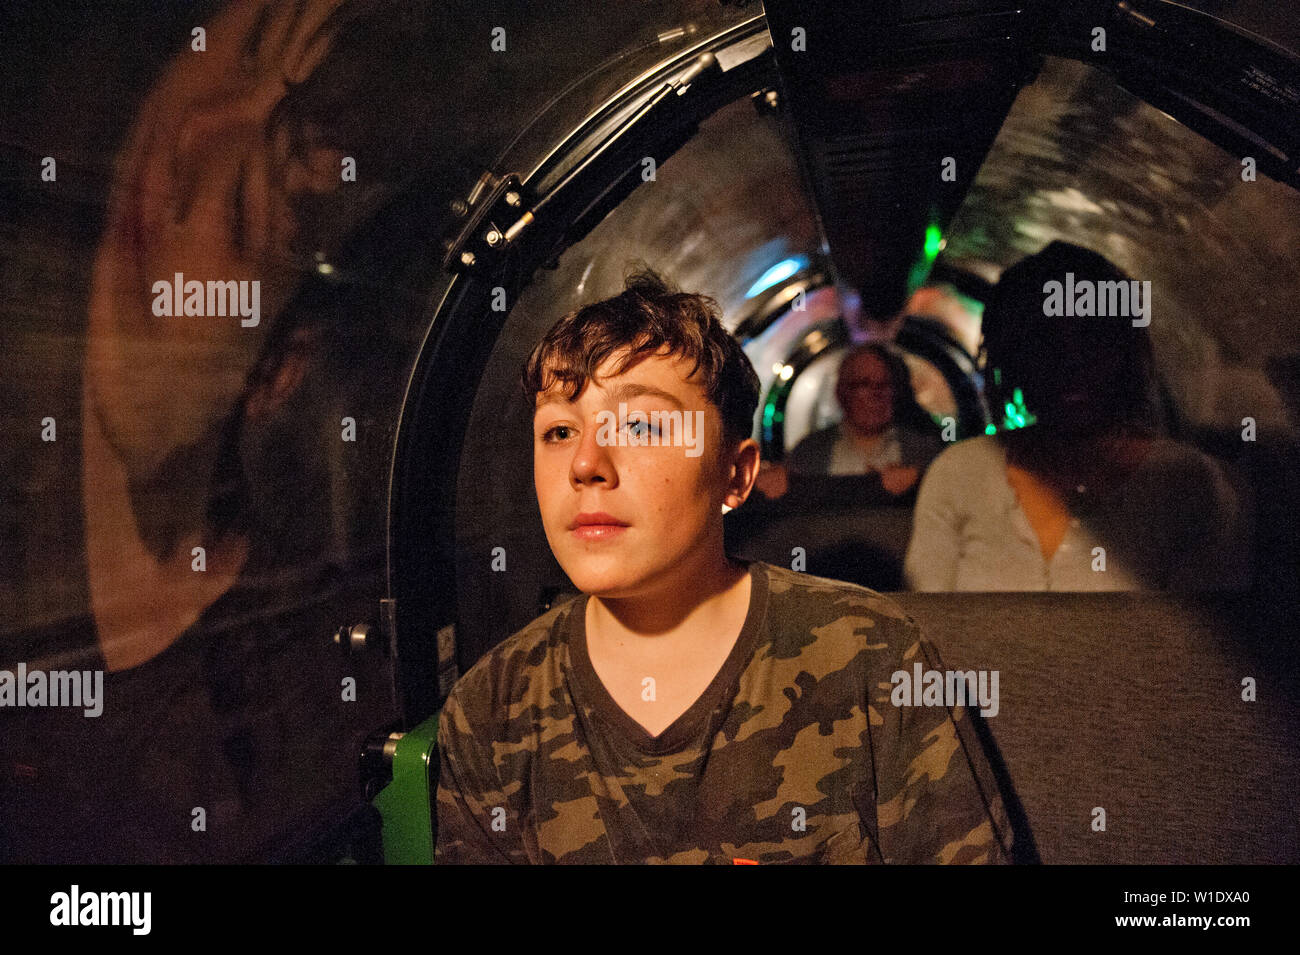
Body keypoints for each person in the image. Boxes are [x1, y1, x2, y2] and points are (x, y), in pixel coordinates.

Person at [433, 270, 1014, 864]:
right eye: (558, 430)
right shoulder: (491, 711)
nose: (585, 462)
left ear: (735, 476)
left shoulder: (869, 658)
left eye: (640, 425)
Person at [905, 241, 1251, 591]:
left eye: (1092, 336)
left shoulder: (1192, 487)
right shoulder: (960, 473)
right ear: (1010, 358)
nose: (1070, 360)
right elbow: (925, 624)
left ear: (1126, 350)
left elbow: (1199, 641)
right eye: (1043, 341)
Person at [756, 344, 942, 500]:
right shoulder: (809, 452)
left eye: (884, 384)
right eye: (864, 384)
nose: (876, 395)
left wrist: (921, 478)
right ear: (842, 393)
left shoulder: (923, 452)